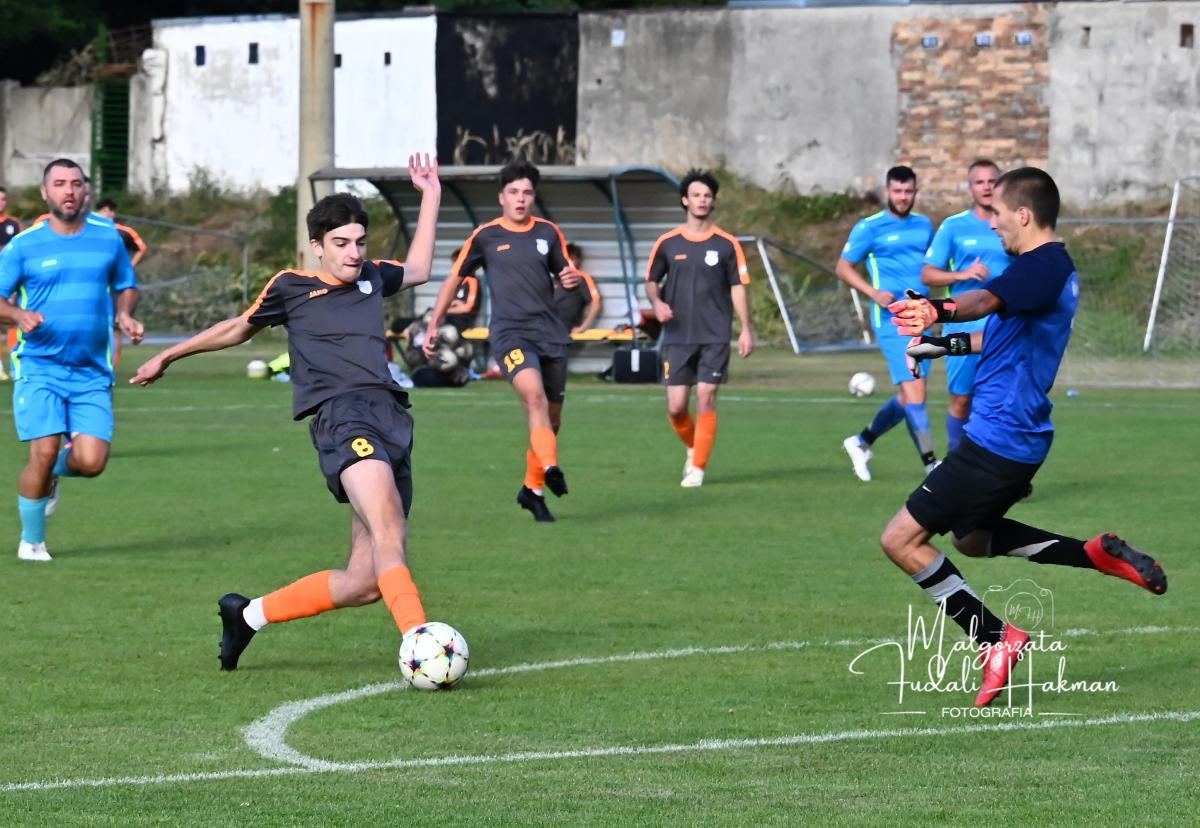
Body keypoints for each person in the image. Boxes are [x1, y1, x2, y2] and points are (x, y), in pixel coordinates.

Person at [131, 155, 443, 671]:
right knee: (389, 529)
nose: (353, 253)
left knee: (364, 582)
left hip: (392, 417)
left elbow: (420, 269)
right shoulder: (292, 287)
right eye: (340, 243)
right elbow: (239, 326)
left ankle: (248, 615)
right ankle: (420, 640)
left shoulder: (372, 278)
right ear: (317, 246)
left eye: (360, 242)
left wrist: (430, 194)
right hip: (343, 418)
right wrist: (169, 354)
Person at [883, 167, 1167, 708]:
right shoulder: (1036, 272)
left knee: (900, 540)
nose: (992, 225)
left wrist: (935, 308)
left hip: (999, 438)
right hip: (1012, 438)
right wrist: (935, 344)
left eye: (996, 214)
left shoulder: (1046, 266)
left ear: (1023, 214)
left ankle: (995, 639)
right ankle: (1094, 555)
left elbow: (982, 303)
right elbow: (993, 337)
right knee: (970, 538)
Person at [423, 160, 582, 524]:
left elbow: (565, 274)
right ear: (502, 197)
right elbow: (453, 280)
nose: (520, 199)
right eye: (513, 192)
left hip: (550, 334)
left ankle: (532, 490)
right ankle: (551, 467)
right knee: (534, 398)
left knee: (552, 420)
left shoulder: (548, 233)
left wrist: (570, 280)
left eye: (527, 192)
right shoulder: (486, 236)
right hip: (511, 334)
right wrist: (434, 323)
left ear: (533, 197)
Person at [0, 158, 143, 562]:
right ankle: (32, 543)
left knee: (92, 462)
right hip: (39, 365)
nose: (69, 191)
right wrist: (17, 315)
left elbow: (127, 285)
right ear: (45, 192)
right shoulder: (23, 245)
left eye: (76, 184)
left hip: (91, 370)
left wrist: (125, 313)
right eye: (60, 183)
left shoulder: (108, 238)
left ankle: (51, 475)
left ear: (86, 191)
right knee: (43, 451)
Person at [645, 168, 753, 488]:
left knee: (706, 396)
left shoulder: (727, 244)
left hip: (715, 334)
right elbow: (652, 281)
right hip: (678, 336)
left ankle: (698, 469)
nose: (702, 200)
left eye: (707, 196)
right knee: (676, 407)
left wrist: (746, 328)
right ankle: (694, 447)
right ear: (685, 200)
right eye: (696, 195)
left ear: (713, 201)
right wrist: (657, 302)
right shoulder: (667, 243)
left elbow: (738, 287)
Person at [836, 166, 937, 482]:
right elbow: (843, 267)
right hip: (892, 321)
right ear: (887, 191)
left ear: (915, 192)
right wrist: (873, 293)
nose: (903, 197)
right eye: (897, 191)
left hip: (922, 319)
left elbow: (932, 267)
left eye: (908, 191)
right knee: (916, 392)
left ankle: (861, 442)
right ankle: (932, 465)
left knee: (909, 397)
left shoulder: (925, 225)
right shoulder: (870, 227)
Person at [920, 160, 1011, 453]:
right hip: (963, 326)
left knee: (1003, 402)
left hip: (1004, 326)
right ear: (970, 188)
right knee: (961, 400)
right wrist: (962, 275)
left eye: (992, 181)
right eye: (979, 182)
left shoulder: (1012, 224)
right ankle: (955, 464)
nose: (986, 187)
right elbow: (928, 274)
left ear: (1001, 185)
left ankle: (1002, 467)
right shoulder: (953, 226)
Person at [94, 198, 147, 367]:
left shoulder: (123, 231)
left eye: (110, 210)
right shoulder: (90, 231)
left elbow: (141, 248)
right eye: (103, 210)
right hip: (96, 285)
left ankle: (113, 364)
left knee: (116, 324)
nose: (107, 213)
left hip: (116, 287)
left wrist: (129, 266)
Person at [0, 187, 23, 380]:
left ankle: (16, 365)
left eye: (3, 199)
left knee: (14, 319)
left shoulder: (14, 224)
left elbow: (23, 249)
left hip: (10, 278)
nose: (1, 202)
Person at [554, 242, 602, 334]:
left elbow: (596, 304)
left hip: (567, 330)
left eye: (571, 259)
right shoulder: (553, 277)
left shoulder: (582, 278)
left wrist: (583, 327)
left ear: (578, 260)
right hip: (548, 329)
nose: (568, 262)